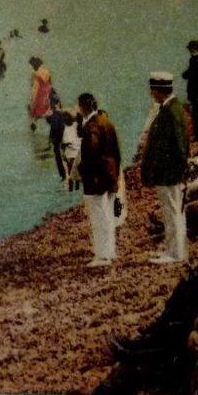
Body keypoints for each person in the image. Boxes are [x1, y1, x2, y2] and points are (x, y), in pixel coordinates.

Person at [141, 72, 190, 263]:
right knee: (175, 211)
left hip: (169, 173)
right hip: (170, 172)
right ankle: (175, 249)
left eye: (153, 90)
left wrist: (176, 172)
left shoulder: (170, 111)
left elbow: (179, 146)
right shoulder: (172, 108)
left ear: (159, 91)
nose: (151, 94)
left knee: (172, 212)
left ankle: (174, 253)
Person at [77, 93, 122, 267]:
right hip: (110, 174)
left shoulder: (91, 127)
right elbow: (115, 151)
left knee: (98, 217)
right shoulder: (106, 121)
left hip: (96, 177)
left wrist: (82, 169)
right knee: (108, 215)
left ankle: (102, 256)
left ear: (83, 107)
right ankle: (109, 251)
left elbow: (91, 151)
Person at [28, 57, 53, 131]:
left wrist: (30, 100)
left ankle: (33, 129)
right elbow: (50, 84)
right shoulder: (47, 71)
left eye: (31, 66)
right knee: (43, 112)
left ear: (34, 65)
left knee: (34, 113)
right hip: (46, 93)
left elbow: (34, 88)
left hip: (40, 94)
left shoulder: (35, 74)